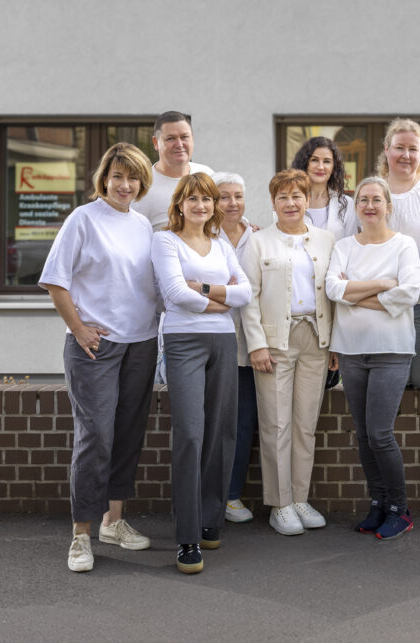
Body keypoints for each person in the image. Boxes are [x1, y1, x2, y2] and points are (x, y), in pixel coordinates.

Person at [38, 142, 159, 573]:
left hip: (142, 342)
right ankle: (81, 536)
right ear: (104, 179)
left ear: (143, 183)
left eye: (133, 178)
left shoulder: (143, 225)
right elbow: (55, 281)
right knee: (95, 437)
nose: (125, 185)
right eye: (117, 176)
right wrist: (78, 328)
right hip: (95, 347)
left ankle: (113, 522)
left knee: (127, 434)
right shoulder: (83, 219)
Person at [151, 173, 252, 573]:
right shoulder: (165, 241)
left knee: (221, 432)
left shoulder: (221, 244)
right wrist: (222, 299)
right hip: (184, 342)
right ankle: (187, 536)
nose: (201, 206)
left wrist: (205, 291)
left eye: (207, 199)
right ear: (179, 203)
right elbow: (175, 293)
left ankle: (210, 520)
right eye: (192, 199)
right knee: (191, 433)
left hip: (223, 342)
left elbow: (246, 293)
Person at [325, 176, 420, 540]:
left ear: (388, 206)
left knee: (380, 434)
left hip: (391, 351)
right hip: (351, 350)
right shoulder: (344, 246)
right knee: (364, 435)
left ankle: (400, 509)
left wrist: (354, 295)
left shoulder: (404, 245)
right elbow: (333, 288)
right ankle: (378, 503)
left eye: (376, 199)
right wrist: (382, 284)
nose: (369, 205)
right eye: (363, 199)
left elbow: (409, 293)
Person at [240, 168, 335, 536]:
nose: (291, 203)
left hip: (316, 338)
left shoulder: (326, 241)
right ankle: (280, 504)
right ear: (273, 202)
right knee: (276, 424)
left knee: (305, 425)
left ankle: (300, 498)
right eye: (283, 197)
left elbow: (333, 294)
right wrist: (256, 344)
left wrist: (334, 343)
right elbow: (248, 297)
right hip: (275, 341)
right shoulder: (259, 242)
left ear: (307, 200)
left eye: (297, 196)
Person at [376, 118, 420, 390]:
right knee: (389, 381)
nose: (406, 155)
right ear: (387, 149)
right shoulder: (374, 190)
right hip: (382, 304)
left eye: (413, 149)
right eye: (399, 147)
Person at [211, 171, 258, 524]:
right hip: (210, 339)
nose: (232, 203)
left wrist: (225, 290)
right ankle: (206, 496)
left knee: (242, 423)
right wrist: (230, 292)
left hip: (249, 345)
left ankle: (231, 496)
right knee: (210, 421)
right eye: (224, 196)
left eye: (237, 196)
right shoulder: (202, 236)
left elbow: (254, 293)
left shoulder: (258, 237)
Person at [134, 111, 214, 232]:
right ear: (156, 143)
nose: (179, 144)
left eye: (184, 137)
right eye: (170, 138)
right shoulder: (142, 186)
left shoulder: (208, 174)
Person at [291, 136, 358, 240]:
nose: (320, 167)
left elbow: (351, 244)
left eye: (326, 161)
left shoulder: (346, 204)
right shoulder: (289, 201)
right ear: (305, 164)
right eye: (314, 160)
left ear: (334, 167)